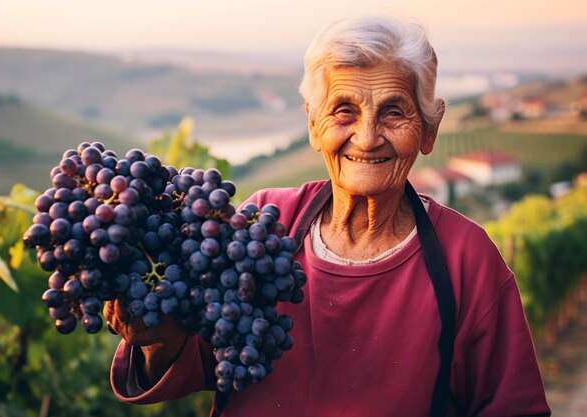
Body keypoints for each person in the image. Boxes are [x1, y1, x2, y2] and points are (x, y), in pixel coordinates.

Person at [104, 15, 551, 417]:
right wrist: (159, 337)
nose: (368, 136)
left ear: (429, 130)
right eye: (344, 111)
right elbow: (200, 358)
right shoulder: (263, 222)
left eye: (394, 112)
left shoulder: (465, 259)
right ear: (314, 125)